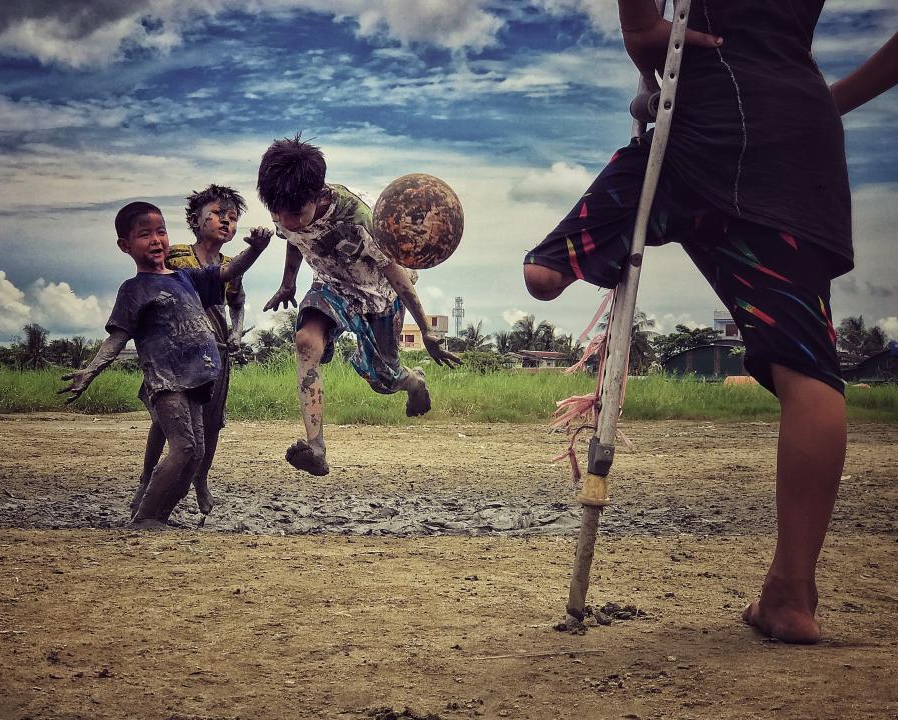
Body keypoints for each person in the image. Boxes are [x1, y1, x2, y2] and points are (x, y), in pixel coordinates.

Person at [522, 1, 897, 643]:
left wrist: (641, 29)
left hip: (700, 130)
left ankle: (579, 263)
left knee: (543, 273)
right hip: (802, 136)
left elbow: (648, 33)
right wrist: (824, 101)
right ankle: (791, 594)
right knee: (808, 365)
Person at [258, 134, 460, 476]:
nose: (285, 220)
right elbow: (293, 239)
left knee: (384, 379)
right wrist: (288, 283)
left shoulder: (361, 220)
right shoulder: (285, 204)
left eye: (294, 213)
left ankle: (414, 382)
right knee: (306, 342)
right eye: (277, 213)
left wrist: (426, 330)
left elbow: (398, 278)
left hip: (377, 295)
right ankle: (316, 448)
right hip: (331, 285)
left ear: (319, 196)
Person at [60, 201, 271, 529]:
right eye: (145, 235)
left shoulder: (185, 277)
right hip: (167, 381)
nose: (156, 240)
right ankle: (145, 517)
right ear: (125, 246)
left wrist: (257, 249)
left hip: (198, 380)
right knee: (184, 446)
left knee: (197, 451)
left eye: (161, 232)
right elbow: (117, 338)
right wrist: (90, 371)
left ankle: (159, 516)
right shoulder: (133, 289)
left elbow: (228, 273)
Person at [128, 185, 250, 519]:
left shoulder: (231, 264)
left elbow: (237, 302)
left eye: (232, 217)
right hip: (176, 352)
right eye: (216, 214)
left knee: (211, 424)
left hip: (216, 352)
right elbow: (150, 287)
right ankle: (146, 478)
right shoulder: (176, 255)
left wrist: (237, 331)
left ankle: (201, 480)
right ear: (195, 221)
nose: (225, 222)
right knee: (165, 419)